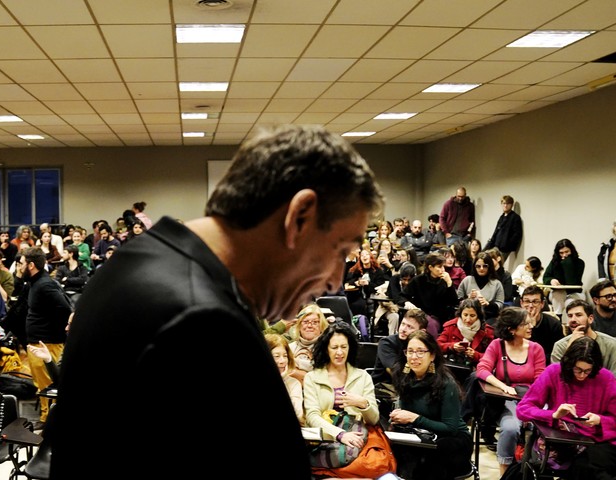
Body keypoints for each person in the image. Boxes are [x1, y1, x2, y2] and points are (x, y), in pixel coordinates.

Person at [50, 125, 384, 479]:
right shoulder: (203, 320)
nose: (335, 279)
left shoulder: (136, 261)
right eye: (340, 249)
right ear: (300, 216)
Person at [517, 337, 616, 479]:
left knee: (590, 468)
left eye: (588, 371)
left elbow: (614, 418)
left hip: (594, 442)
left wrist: (600, 420)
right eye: (578, 370)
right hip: (560, 439)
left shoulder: (606, 378)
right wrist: (553, 415)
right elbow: (523, 409)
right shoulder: (554, 372)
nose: (582, 375)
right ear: (569, 364)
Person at [303, 322, 387, 478]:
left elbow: (374, 419)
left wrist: (363, 404)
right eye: (334, 348)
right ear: (326, 349)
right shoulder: (312, 378)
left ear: (350, 348)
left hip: (357, 442)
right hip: (325, 443)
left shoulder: (363, 377)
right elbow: (312, 416)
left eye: (344, 347)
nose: (339, 352)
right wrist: (340, 434)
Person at [390, 330, 473, 480]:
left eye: (420, 352)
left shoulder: (446, 384)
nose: (414, 357)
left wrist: (415, 418)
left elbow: (450, 428)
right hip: (420, 436)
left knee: (432, 457)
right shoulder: (404, 377)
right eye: (410, 351)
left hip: (452, 440)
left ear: (432, 355)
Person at [475, 307, 546, 475]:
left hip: (529, 399)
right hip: (502, 398)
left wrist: (530, 400)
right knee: (510, 427)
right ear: (511, 329)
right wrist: (503, 386)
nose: (530, 327)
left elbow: (540, 379)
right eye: (525, 324)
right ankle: (504, 473)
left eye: (530, 323)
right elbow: (482, 370)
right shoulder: (497, 345)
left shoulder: (536, 349)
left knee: (525, 427)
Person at [20, 247, 73, 430]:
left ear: (31, 265)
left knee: (49, 387)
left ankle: (49, 422)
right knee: (41, 385)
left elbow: (66, 308)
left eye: (21, 263)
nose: (19, 267)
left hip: (47, 343)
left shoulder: (45, 284)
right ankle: (46, 419)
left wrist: (55, 330)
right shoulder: (35, 283)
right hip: (38, 342)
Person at [551, 299, 616, 375]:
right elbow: (557, 377)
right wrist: (570, 349)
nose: (573, 320)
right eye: (570, 316)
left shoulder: (611, 344)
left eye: (578, 315)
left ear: (590, 319)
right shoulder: (560, 346)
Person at [403, 253, 459, 337]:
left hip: (439, 317)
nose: (443, 270)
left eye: (443, 267)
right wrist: (406, 302)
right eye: (439, 267)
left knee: (429, 324)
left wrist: (449, 284)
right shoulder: (418, 280)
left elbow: (454, 302)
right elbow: (403, 295)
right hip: (419, 314)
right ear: (430, 267)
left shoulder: (445, 281)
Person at [371, 309, 428, 386]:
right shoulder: (386, 343)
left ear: (422, 331)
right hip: (384, 386)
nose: (403, 329)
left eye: (410, 327)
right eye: (403, 324)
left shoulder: (424, 346)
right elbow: (396, 372)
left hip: (413, 384)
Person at [437, 298, 494, 366]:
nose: (468, 319)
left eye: (472, 316)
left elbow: (492, 356)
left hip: (476, 367)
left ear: (478, 315)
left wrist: (475, 355)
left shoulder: (487, 331)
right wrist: (452, 346)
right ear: (460, 314)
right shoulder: (451, 326)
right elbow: (437, 345)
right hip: (453, 364)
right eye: (465, 315)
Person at [265, 333, 304, 425]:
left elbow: (297, 414)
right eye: (276, 356)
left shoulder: (294, 383)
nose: (282, 361)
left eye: (285, 356)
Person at [520, 285, 564, 363]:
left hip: (544, 364)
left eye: (535, 302)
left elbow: (555, 354)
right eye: (527, 301)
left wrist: (534, 328)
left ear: (542, 304)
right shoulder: (514, 322)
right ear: (521, 303)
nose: (530, 306)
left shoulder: (553, 324)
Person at [458, 251, 505, 322]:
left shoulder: (496, 283)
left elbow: (500, 305)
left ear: (490, 267)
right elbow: (458, 301)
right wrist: (468, 299)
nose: (481, 268)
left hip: (489, 317)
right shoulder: (467, 280)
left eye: (485, 266)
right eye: (478, 266)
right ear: (474, 267)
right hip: (468, 315)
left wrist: (487, 303)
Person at [288, 303, 329, 384]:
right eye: (306, 322)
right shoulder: (289, 347)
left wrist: (295, 364)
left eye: (315, 322)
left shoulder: (327, 347)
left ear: (321, 326)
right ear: (299, 326)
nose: (310, 325)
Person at [544, 238, 585, 316]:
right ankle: (558, 318)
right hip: (557, 292)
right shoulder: (554, 262)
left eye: (567, 252)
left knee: (569, 303)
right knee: (558, 295)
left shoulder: (580, 263)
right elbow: (546, 276)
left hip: (574, 292)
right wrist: (551, 280)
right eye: (561, 253)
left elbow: (572, 282)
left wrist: (566, 263)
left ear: (571, 251)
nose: (564, 255)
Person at [344, 249, 387, 318]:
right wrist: (357, 282)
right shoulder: (355, 269)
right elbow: (349, 281)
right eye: (362, 255)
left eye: (366, 254)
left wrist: (368, 283)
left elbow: (380, 285)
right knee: (356, 304)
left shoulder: (378, 270)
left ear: (371, 257)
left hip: (373, 295)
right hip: (358, 296)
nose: (364, 257)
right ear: (360, 258)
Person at [484, 195, 523, 265]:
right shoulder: (501, 217)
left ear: (511, 205)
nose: (505, 205)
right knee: (487, 262)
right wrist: (490, 244)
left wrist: (508, 245)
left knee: (497, 265)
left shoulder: (515, 217)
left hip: (504, 248)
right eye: (504, 203)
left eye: (508, 204)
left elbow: (517, 234)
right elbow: (496, 231)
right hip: (496, 245)